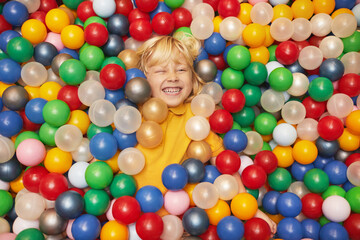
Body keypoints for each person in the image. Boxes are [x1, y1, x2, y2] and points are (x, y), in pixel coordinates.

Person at [133, 33, 277, 235]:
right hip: (128, 211)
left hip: (176, 220)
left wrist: (249, 210)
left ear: (193, 78)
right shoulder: (132, 112)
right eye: (161, 70)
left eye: (182, 69)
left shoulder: (196, 114)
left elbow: (223, 161)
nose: (173, 77)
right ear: (143, 79)